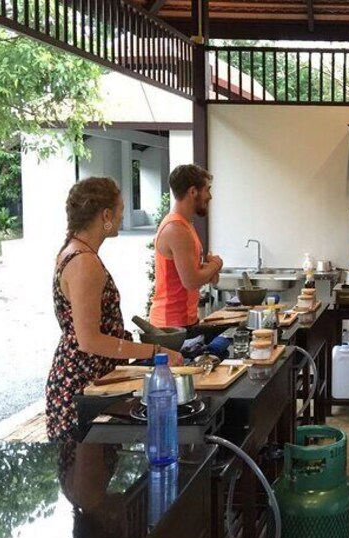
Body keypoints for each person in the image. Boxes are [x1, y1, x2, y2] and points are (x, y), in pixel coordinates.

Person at [46, 178, 183, 441]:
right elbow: (89, 340)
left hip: (91, 380)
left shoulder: (77, 252)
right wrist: (157, 352)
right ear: (105, 215)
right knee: (90, 476)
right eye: (120, 210)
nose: (122, 217)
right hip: (82, 384)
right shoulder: (84, 262)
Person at [149, 164, 223, 329]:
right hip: (170, 327)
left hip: (184, 321)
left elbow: (190, 273)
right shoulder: (176, 229)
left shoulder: (185, 225)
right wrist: (216, 265)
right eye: (207, 190)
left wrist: (210, 270)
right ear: (193, 192)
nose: (209, 196)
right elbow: (191, 280)